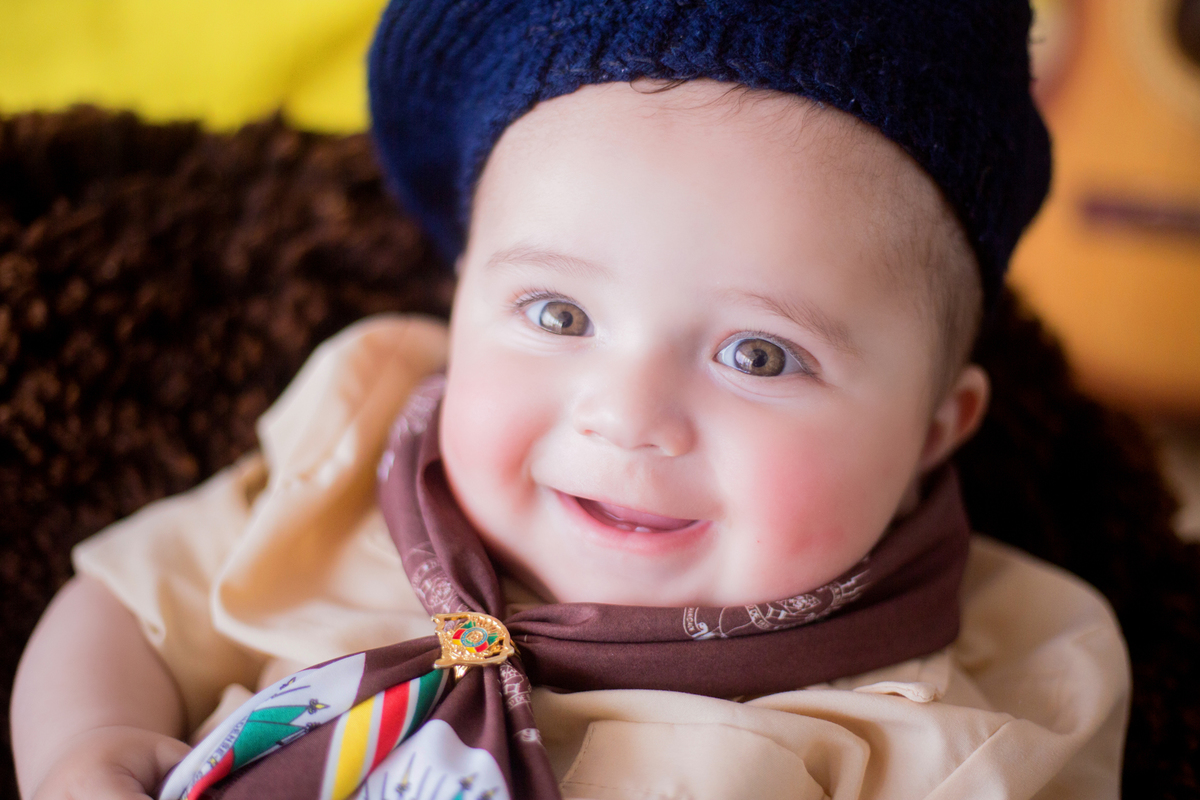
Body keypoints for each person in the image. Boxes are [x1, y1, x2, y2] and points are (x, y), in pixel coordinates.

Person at [10, 2, 1131, 799]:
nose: (628, 413)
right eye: (557, 315)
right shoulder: (357, 455)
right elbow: (125, 600)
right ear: (457, 304)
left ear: (940, 428)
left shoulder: (973, 697)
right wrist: (89, 744)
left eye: (759, 353)